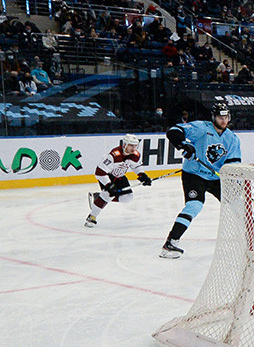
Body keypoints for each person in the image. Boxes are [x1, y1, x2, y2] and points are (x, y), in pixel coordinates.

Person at [159, 102, 241, 258]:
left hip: (216, 178)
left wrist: (232, 179)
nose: (223, 120)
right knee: (194, 206)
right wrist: (184, 145)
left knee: (237, 203)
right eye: (220, 117)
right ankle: (171, 243)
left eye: (226, 117)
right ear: (213, 117)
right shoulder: (202, 128)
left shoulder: (232, 139)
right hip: (194, 174)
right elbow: (173, 131)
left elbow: (233, 163)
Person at [84, 134, 151, 227]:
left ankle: (99, 197)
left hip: (120, 177)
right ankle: (92, 217)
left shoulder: (135, 155)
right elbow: (99, 172)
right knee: (108, 195)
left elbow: (136, 166)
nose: (134, 148)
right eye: (131, 145)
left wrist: (142, 175)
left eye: (135, 146)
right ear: (125, 145)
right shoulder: (114, 155)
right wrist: (109, 185)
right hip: (108, 177)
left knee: (128, 197)